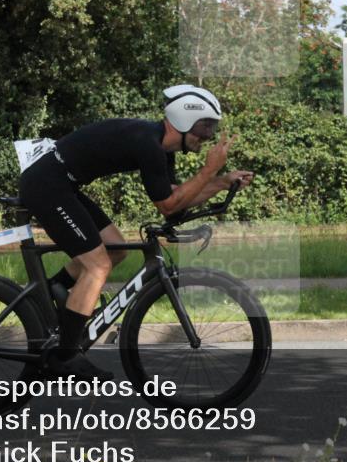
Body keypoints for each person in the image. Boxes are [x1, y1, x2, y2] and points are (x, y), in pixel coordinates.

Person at [17, 85, 255, 379]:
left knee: (115, 249)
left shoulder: (160, 148)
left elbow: (177, 199)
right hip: (47, 185)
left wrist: (221, 182)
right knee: (98, 266)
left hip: (60, 184)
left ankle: (54, 291)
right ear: (183, 120)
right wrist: (208, 172)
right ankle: (65, 358)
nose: (207, 136)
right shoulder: (148, 144)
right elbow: (169, 206)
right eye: (204, 127)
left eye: (211, 128)